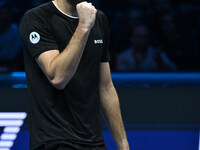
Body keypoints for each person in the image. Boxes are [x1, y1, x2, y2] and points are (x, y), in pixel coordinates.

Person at [19, 0, 129, 150]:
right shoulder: (36, 18)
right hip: (54, 140)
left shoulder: (98, 19)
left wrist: (123, 145)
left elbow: (105, 87)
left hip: (93, 141)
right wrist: (83, 27)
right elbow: (57, 77)